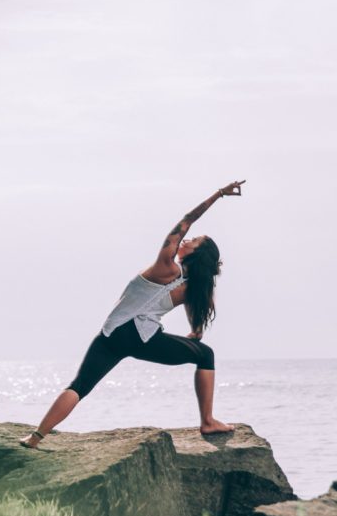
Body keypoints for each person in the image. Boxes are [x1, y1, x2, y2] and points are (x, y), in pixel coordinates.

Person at [19, 180, 246, 449]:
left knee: (80, 386)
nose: (187, 238)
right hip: (141, 337)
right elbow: (196, 317)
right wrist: (195, 335)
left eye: (194, 241)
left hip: (112, 333)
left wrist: (219, 194)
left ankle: (36, 437)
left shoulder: (167, 267)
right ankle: (207, 421)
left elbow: (186, 220)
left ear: (198, 254)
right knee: (205, 355)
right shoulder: (190, 286)